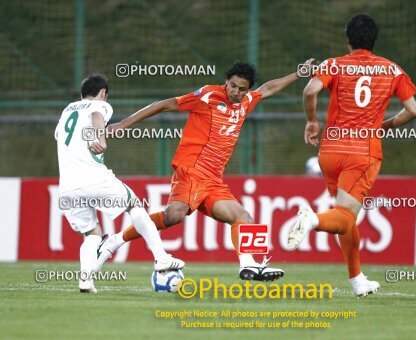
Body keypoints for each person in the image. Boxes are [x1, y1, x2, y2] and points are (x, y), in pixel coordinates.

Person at [95, 60, 314, 281]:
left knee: (242, 217)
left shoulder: (247, 101)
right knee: (175, 216)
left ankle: (249, 266)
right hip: (191, 170)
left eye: (242, 89)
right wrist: (122, 124)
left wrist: (297, 74)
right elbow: (165, 104)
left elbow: (268, 88)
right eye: (233, 86)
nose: (236, 92)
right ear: (226, 82)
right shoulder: (208, 95)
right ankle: (114, 241)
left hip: (213, 180)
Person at [287, 14, 416, 296]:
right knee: (345, 216)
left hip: (330, 151)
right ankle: (312, 220)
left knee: (346, 216)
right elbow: (413, 110)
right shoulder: (392, 70)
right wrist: (384, 126)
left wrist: (311, 121)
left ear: (348, 40)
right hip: (363, 152)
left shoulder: (334, 64)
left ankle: (357, 279)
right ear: (374, 40)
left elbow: (310, 90)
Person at [55, 74, 184, 293]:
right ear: (103, 93)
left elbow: (60, 136)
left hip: (68, 186)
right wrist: (100, 138)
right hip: (93, 177)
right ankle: (161, 257)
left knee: (92, 234)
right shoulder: (100, 105)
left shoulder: (67, 110)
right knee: (134, 205)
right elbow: (97, 114)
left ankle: (85, 281)